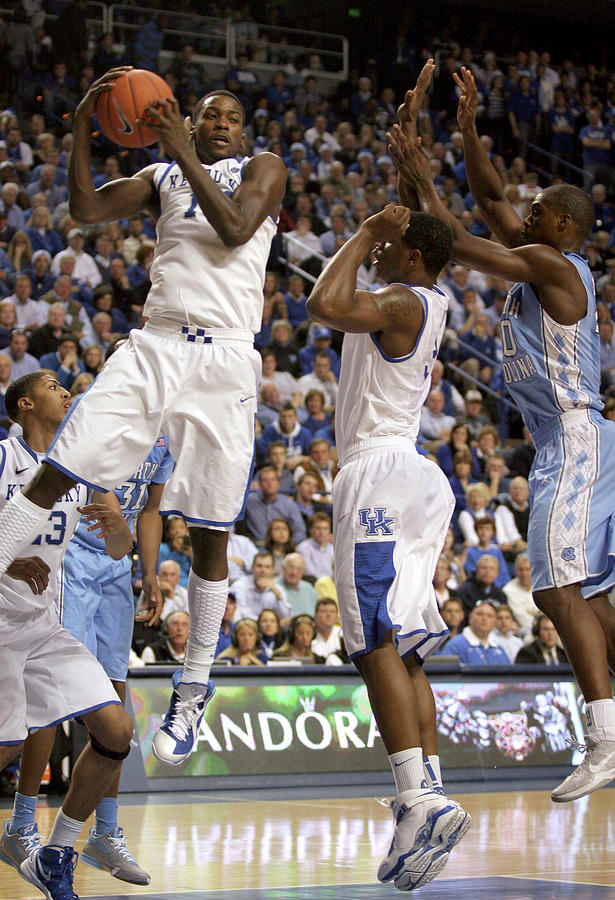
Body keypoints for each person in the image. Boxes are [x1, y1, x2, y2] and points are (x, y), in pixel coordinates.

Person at [0, 70, 288, 768]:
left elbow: (235, 227)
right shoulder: (163, 173)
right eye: (207, 112)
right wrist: (77, 129)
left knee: (212, 539)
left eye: (229, 116)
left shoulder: (262, 169)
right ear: (190, 118)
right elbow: (84, 210)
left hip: (223, 359)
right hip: (155, 341)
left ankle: (192, 688)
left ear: (241, 132)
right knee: (57, 470)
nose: (218, 120)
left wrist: (183, 148)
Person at [391, 59, 615, 802]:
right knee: (587, 599)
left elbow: (460, 238)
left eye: (538, 209)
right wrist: (464, 129)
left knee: (556, 589)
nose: (523, 212)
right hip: (565, 443)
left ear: (562, 226)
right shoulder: (539, 258)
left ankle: (604, 739)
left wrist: (423, 179)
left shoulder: (552, 264)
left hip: (575, 439)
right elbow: (487, 198)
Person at [306, 164, 470, 891]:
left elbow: (321, 302)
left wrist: (366, 230)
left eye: (389, 246)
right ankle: (425, 792)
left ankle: (416, 796)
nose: (376, 250)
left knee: (370, 639)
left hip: (377, 473)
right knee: (402, 650)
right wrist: (412, 165)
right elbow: (430, 236)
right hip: (409, 475)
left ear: (408, 256)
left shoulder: (402, 299)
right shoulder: (428, 295)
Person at [0, 372, 134, 900]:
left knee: (117, 731)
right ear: (26, 403)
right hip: (0, 623)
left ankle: (58, 852)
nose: (65, 392)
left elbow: (120, 548)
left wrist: (116, 523)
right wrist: (8, 562)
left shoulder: (78, 470)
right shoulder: (4, 459)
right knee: (8, 744)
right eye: (54, 385)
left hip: (44, 628)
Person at [443, 600, 512, 665]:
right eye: (480, 614)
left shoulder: (499, 648)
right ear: (470, 617)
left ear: (494, 621)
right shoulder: (455, 646)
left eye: (489, 616)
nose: (484, 618)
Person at [503, 552, 539, 637]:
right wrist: (537, 615)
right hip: (523, 630)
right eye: (521, 570)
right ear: (515, 571)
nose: (524, 574)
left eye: (527, 569)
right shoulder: (508, 590)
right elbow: (522, 619)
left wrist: (533, 614)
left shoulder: (540, 586)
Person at [274, 552, 318, 619]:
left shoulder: (309, 588)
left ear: (303, 571)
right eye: (290, 568)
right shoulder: (274, 586)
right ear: (283, 568)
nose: (294, 572)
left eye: (298, 569)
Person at [296, 511, 334, 580]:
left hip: (331, 586)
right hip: (313, 585)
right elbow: (310, 574)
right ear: (310, 530)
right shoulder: (303, 547)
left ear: (329, 531)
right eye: (318, 528)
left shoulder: (333, 549)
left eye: (325, 528)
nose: (322, 532)